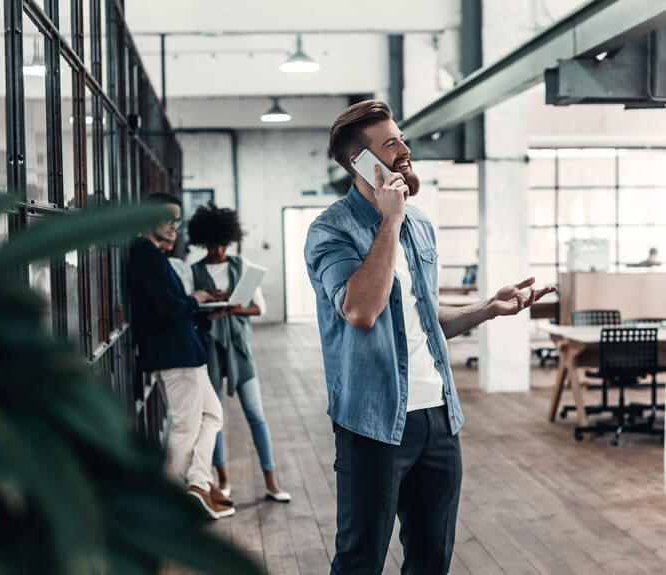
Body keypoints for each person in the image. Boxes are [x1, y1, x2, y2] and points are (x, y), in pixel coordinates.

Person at [304, 100, 554, 575]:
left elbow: (419, 316)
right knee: (360, 560)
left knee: (432, 558)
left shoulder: (420, 225)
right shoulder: (331, 230)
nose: (405, 149)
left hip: (438, 418)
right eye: (391, 143)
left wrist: (488, 309)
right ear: (361, 162)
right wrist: (389, 220)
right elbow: (361, 310)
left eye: (401, 139)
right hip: (372, 423)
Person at [128, 192, 235, 520]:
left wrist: (206, 312)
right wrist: (197, 298)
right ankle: (181, 498)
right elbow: (165, 308)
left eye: (177, 220)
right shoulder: (144, 253)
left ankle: (198, 484)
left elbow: (171, 308)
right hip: (174, 355)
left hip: (185, 351)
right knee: (186, 426)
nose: (174, 226)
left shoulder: (152, 255)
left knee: (213, 414)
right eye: (167, 218)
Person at [188, 203, 291, 502]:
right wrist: (209, 308)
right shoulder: (193, 272)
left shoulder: (240, 265)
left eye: (222, 243)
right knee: (214, 416)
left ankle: (272, 482)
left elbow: (259, 308)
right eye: (212, 244)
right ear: (202, 241)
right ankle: (223, 479)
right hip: (209, 349)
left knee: (256, 414)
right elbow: (191, 312)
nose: (219, 250)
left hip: (239, 349)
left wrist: (233, 307)